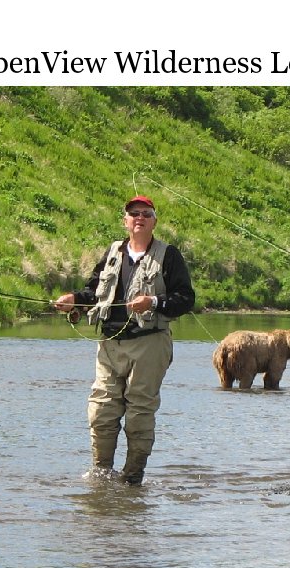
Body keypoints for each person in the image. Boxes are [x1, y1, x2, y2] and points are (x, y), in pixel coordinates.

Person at [53, 195, 195, 485]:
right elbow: (94, 291)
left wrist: (154, 301)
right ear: (125, 221)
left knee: (139, 413)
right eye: (133, 214)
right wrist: (74, 300)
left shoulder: (169, 255)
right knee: (101, 410)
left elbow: (186, 299)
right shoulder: (114, 251)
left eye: (145, 213)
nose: (139, 218)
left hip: (150, 343)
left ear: (154, 221)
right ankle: (102, 474)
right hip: (109, 342)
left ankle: (132, 480)